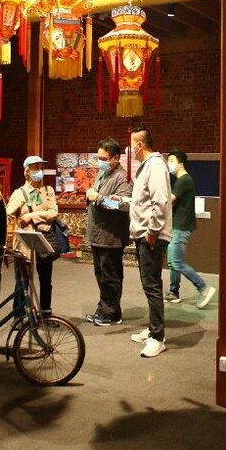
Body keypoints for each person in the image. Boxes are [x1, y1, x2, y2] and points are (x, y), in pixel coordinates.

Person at [114, 126, 171, 358]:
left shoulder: (156, 165)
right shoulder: (146, 167)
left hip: (151, 236)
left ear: (140, 144)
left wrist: (152, 232)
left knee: (152, 285)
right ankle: (153, 328)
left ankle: (158, 337)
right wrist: (123, 200)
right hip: (144, 234)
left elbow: (160, 200)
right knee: (149, 284)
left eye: (131, 143)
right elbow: (143, 202)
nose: (129, 148)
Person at [84, 138, 132, 326]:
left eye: (104, 158)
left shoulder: (123, 178)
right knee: (101, 275)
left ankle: (110, 313)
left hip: (111, 237)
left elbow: (122, 206)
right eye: (99, 158)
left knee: (110, 276)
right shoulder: (102, 174)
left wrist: (98, 198)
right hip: (98, 234)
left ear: (116, 158)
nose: (100, 162)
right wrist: (91, 193)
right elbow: (96, 195)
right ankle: (106, 309)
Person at [7, 155, 59, 316]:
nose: (39, 171)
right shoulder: (20, 193)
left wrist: (32, 216)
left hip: (44, 239)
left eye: (41, 168)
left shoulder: (48, 190)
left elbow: (54, 212)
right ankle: (19, 313)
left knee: (45, 280)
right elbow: (8, 215)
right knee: (23, 281)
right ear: (27, 171)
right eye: (36, 168)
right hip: (25, 243)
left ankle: (45, 312)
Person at [164, 149, 216, 309]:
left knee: (176, 262)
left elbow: (170, 202)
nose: (169, 164)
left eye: (171, 160)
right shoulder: (183, 181)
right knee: (173, 262)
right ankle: (174, 292)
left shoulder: (184, 181)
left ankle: (204, 288)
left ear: (180, 164)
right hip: (178, 225)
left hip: (181, 226)